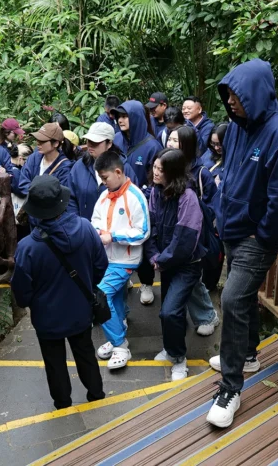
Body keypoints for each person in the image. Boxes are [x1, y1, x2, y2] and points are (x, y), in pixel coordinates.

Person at [205, 59, 278, 429]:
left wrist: (264, 234)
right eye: (228, 96)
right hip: (232, 227)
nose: (231, 102)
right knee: (241, 297)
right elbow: (230, 174)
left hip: (255, 236)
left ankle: (230, 387)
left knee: (230, 298)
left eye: (237, 96)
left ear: (257, 94)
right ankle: (247, 353)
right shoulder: (235, 128)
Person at [11, 175, 107, 409]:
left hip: (47, 318)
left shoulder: (28, 247)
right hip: (81, 309)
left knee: (54, 362)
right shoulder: (85, 228)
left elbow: (21, 291)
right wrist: (87, 283)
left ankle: (62, 403)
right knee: (85, 353)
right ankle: (96, 394)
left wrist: (34, 302)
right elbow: (101, 264)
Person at [146, 149, 207, 381]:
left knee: (169, 311)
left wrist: (160, 260)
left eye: (161, 170)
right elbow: (150, 227)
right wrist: (154, 255)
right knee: (172, 311)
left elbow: (185, 239)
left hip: (187, 264)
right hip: (166, 262)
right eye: (155, 167)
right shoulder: (155, 191)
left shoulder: (187, 197)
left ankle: (179, 359)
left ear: (173, 172)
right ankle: (171, 349)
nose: (156, 173)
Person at [91, 151, 150, 369]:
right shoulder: (104, 195)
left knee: (101, 296)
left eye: (105, 178)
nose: (103, 182)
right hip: (106, 258)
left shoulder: (136, 196)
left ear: (118, 172)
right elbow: (95, 219)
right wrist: (98, 232)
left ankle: (119, 345)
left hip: (125, 260)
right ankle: (118, 336)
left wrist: (113, 236)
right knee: (112, 299)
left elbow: (143, 232)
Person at [167, 126, 221, 333]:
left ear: (187, 145)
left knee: (191, 274)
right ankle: (201, 314)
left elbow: (213, 207)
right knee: (185, 275)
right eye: (169, 139)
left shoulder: (201, 173)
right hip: (172, 230)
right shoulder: (168, 167)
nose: (170, 144)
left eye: (175, 140)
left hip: (193, 233)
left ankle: (207, 315)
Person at [110, 100, 162, 304]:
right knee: (119, 241)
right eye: (118, 116)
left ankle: (147, 283)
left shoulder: (152, 146)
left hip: (143, 204)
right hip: (117, 203)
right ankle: (124, 279)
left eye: (125, 116)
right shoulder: (115, 140)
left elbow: (156, 177)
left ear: (137, 118)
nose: (120, 120)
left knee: (144, 243)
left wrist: (145, 194)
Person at [67, 122, 138, 222]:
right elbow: (70, 199)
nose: (90, 145)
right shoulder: (79, 167)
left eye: (95, 142)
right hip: (84, 232)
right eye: (88, 140)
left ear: (109, 144)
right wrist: (78, 225)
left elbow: (134, 202)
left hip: (115, 234)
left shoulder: (124, 169)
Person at [12, 122, 73, 200]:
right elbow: (23, 183)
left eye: (43, 141)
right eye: (37, 139)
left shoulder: (65, 168)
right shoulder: (34, 158)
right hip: (32, 208)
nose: (38, 143)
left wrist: (35, 193)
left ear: (56, 143)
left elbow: (62, 195)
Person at [200, 122, 228, 186]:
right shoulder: (209, 152)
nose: (216, 148)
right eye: (213, 143)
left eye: (219, 144)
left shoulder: (233, 159)